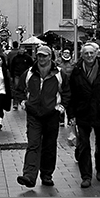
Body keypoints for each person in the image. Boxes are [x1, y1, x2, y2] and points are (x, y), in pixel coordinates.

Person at [15, 45, 69, 188]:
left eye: (44, 56)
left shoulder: (59, 74)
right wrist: (23, 102)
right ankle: (29, 176)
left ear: (50, 57)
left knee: (49, 146)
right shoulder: (29, 73)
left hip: (52, 115)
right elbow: (19, 90)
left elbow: (67, 93)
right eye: (39, 55)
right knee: (33, 144)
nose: (41, 58)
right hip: (34, 115)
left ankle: (46, 175)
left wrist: (62, 107)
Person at [67, 42, 100, 188]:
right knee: (84, 145)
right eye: (86, 53)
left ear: (96, 54)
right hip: (82, 113)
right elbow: (70, 94)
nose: (89, 56)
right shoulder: (76, 71)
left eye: (91, 53)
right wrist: (71, 115)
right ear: (81, 55)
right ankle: (86, 176)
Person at [9, 46, 33, 110]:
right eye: (20, 50)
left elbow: (32, 65)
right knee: (16, 89)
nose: (22, 51)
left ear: (25, 50)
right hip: (17, 75)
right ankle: (15, 103)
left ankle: (24, 103)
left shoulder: (28, 58)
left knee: (26, 89)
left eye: (23, 50)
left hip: (25, 75)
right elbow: (12, 67)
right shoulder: (15, 58)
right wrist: (11, 75)